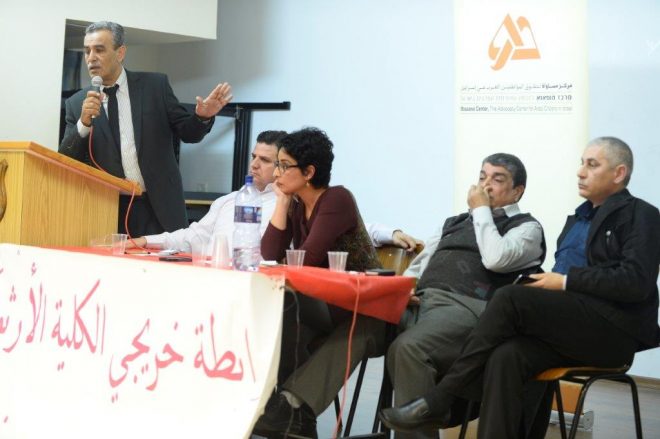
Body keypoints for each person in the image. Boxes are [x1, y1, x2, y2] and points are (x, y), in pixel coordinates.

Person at [380, 137, 660, 439]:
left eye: (592, 165)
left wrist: (564, 281)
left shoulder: (642, 214)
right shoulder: (577, 221)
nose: (581, 172)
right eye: (582, 163)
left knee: (509, 297)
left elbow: (636, 282)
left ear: (619, 173)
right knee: (507, 355)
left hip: (612, 332)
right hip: (573, 327)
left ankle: (440, 399)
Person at [255, 153, 546, 439]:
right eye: (482, 177)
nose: (485, 186)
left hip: (467, 309)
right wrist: (403, 289)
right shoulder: (454, 222)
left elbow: (496, 259)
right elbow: (422, 263)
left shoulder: (527, 228)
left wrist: (481, 211)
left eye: (497, 179)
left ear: (517, 191)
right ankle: (296, 408)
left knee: (407, 348)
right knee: (360, 324)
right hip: (422, 300)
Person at [59, 21, 233, 237]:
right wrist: (84, 122)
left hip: (159, 207)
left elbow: (189, 133)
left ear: (120, 52)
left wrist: (202, 117)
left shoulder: (154, 86)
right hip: (109, 210)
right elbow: (66, 159)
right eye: (87, 51)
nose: (91, 57)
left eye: (99, 50)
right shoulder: (77, 103)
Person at [128, 130, 421, 252]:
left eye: (267, 161)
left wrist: (391, 233)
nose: (254, 165)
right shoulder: (229, 201)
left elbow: (343, 228)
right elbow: (192, 237)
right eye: (253, 157)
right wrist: (142, 242)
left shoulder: (294, 201)